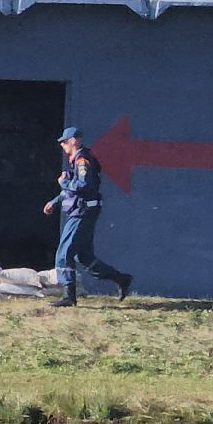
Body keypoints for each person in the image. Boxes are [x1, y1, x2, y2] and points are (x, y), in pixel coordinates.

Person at [42, 126, 133, 307]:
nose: (62, 145)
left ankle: (69, 296)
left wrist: (64, 182)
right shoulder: (74, 161)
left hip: (82, 213)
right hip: (81, 211)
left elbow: (84, 185)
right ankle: (121, 279)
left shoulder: (82, 160)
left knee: (64, 253)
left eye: (65, 141)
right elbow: (70, 190)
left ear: (74, 140)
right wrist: (54, 201)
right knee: (84, 257)